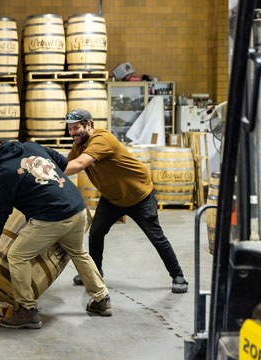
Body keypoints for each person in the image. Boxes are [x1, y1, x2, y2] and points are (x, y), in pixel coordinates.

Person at [0, 135, 111, 330]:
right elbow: (62, 164)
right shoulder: (30, 146)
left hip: (52, 218)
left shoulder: (2, 174)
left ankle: (27, 311)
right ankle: (102, 298)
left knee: (17, 256)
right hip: (78, 208)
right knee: (78, 252)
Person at [63, 109, 188, 294]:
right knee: (96, 233)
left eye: (76, 128)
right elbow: (66, 163)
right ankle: (95, 273)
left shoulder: (101, 139)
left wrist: (49, 173)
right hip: (112, 198)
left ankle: (178, 276)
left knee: (156, 237)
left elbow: (79, 165)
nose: (72, 132)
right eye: (70, 129)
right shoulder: (80, 144)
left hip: (139, 196)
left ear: (89, 125)